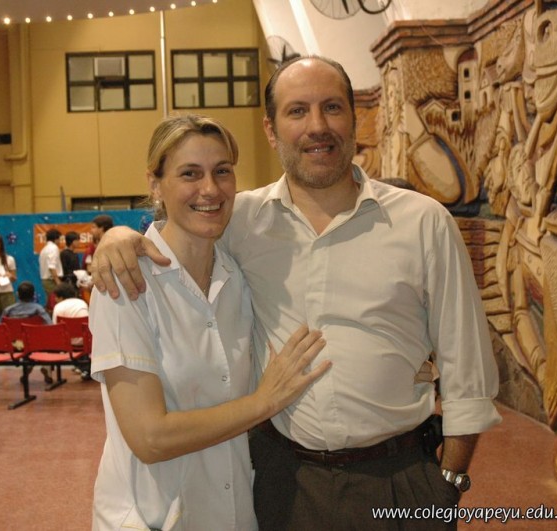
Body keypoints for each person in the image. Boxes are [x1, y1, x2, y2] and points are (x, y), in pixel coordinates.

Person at [91, 56, 501, 530]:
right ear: (271, 130)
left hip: (400, 477)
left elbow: (467, 369)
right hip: (285, 482)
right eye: (297, 111)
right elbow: (180, 224)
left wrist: (446, 485)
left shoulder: (423, 222)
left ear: (354, 119)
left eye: (332, 107)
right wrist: (117, 236)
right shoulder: (241, 220)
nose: (317, 126)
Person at [90, 114, 331, 530]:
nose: (210, 189)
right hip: (152, 517)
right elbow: (150, 438)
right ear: (155, 184)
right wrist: (262, 403)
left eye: (222, 171)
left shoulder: (239, 279)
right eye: (190, 173)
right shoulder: (127, 284)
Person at [38, 229, 63, 306]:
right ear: (56, 239)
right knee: (55, 303)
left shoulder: (44, 249)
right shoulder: (53, 248)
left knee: (50, 303)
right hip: (51, 281)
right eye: (59, 239)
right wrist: (58, 282)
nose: (60, 242)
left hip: (47, 280)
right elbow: (51, 266)